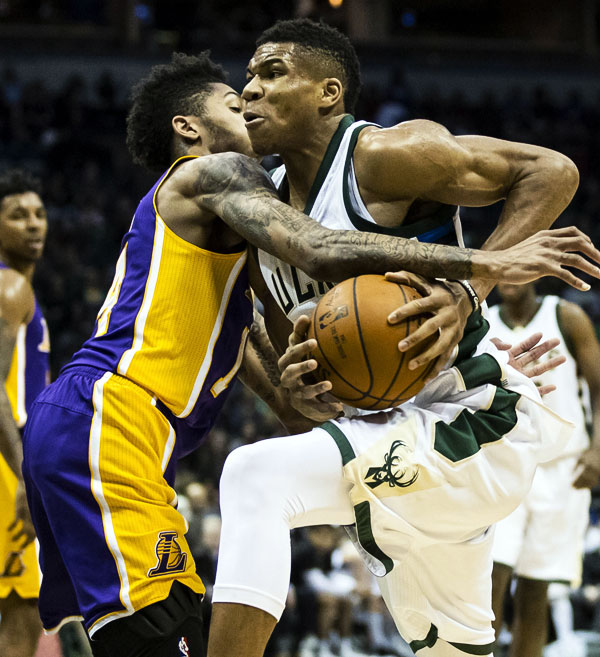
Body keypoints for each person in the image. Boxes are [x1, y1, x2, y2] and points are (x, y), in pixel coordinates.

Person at [20, 52, 584, 657]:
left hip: (108, 426)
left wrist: (475, 358)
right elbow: (317, 247)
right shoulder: (214, 171)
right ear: (189, 128)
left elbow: (254, 346)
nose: (249, 99)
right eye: (235, 101)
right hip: (110, 415)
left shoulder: (224, 235)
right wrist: (481, 270)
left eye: (264, 82)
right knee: (231, 515)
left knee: (154, 631)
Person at [206, 18, 600, 657]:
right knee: (453, 651)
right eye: (247, 76)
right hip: (388, 446)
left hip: (467, 422)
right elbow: (306, 387)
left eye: (272, 73)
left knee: (254, 476)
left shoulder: (384, 157)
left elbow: (550, 171)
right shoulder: (264, 220)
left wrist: (468, 292)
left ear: (328, 93)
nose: (249, 89)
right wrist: (300, 392)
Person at [487, 282, 600, 657]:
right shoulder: (483, 322)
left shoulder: (566, 317)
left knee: (536, 591)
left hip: (563, 468)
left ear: (534, 270)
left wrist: (598, 451)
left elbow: (598, 388)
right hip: (502, 463)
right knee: (490, 576)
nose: (507, 275)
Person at [0, 169, 49, 657]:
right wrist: (24, 473)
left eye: (38, 214)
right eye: (17, 215)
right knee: (23, 613)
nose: (33, 224)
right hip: (8, 469)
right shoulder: (10, 286)